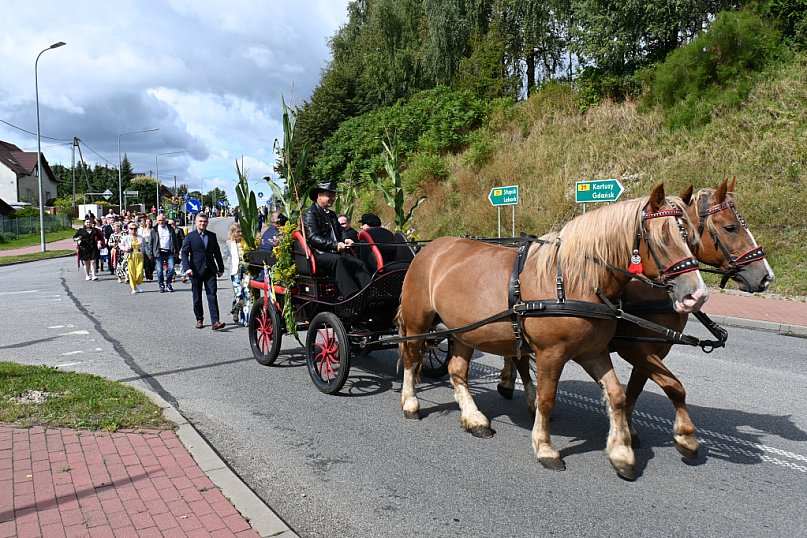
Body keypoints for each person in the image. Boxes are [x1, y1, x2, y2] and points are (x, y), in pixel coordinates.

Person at [301, 181, 371, 299]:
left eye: (333, 195)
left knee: (359, 263)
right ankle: (352, 297)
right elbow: (313, 238)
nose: (333, 198)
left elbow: (341, 232)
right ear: (319, 195)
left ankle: (370, 292)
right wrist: (335, 245)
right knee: (338, 260)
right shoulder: (309, 214)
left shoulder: (332, 214)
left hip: (336, 252)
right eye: (329, 195)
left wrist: (346, 240)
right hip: (319, 254)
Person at [181, 213, 226, 330]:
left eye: (205, 221)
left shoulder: (212, 236)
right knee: (197, 296)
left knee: (212, 295)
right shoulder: (190, 237)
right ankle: (199, 319)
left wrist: (220, 268)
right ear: (196, 223)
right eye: (200, 221)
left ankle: (215, 321)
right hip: (195, 271)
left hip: (210, 270)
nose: (202, 223)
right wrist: (187, 268)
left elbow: (217, 253)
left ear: (207, 222)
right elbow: (184, 253)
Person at [226, 223, 252, 325]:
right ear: (233, 233)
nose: (240, 234)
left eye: (242, 232)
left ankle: (245, 318)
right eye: (238, 232)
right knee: (239, 294)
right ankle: (235, 309)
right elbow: (225, 256)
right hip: (235, 272)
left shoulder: (246, 243)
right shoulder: (229, 243)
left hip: (246, 272)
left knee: (246, 293)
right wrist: (229, 266)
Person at [155, 215, 179, 293]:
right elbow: (152, 242)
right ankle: (161, 285)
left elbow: (175, 240)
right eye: (159, 220)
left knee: (171, 269)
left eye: (162, 220)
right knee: (159, 270)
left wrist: (177, 250)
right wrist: (151, 253)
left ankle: (168, 283)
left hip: (169, 252)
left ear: (165, 220)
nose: (161, 222)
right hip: (159, 252)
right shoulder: (154, 230)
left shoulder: (170, 229)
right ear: (157, 221)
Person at [119, 223, 145, 294]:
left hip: (139, 255)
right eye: (131, 228)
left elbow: (144, 247)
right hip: (130, 256)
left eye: (135, 229)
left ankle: (138, 283)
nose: (133, 230)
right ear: (128, 229)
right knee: (132, 272)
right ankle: (133, 287)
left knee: (140, 272)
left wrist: (147, 255)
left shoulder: (140, 237)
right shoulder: (126, 237)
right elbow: (120, 245)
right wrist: (125, 248)